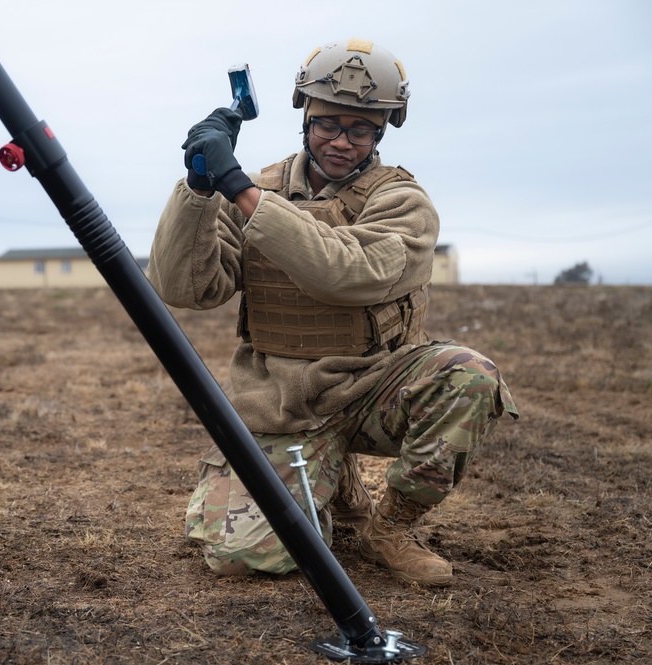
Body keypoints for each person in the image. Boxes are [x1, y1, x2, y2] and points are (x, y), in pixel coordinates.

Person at [147, 38, 518, 587]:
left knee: (469, 376)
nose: (342, 142)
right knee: (242, 559)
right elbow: (185, 288)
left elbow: (348, 273)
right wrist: (198, 191)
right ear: (305, 116)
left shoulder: (403, 202)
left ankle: (389, 529)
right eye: (328, 125)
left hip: (375, 385)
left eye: (361, 129)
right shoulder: (257, 188)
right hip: (282, 398)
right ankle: (333, 480)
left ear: (382, 131)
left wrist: (241, 192)